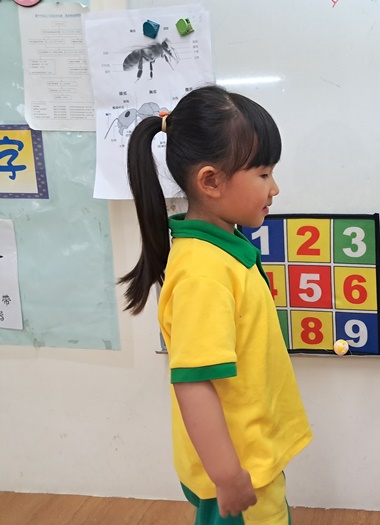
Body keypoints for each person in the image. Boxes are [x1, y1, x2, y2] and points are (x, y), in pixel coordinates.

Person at [120, 84, 312, 525]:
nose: (275, 188)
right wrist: (227, 475)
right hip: (239, 468)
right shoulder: (203, 274)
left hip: (252, 454)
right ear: (210, 181)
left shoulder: (223, 251)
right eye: (263, 174)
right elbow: (194, 382)